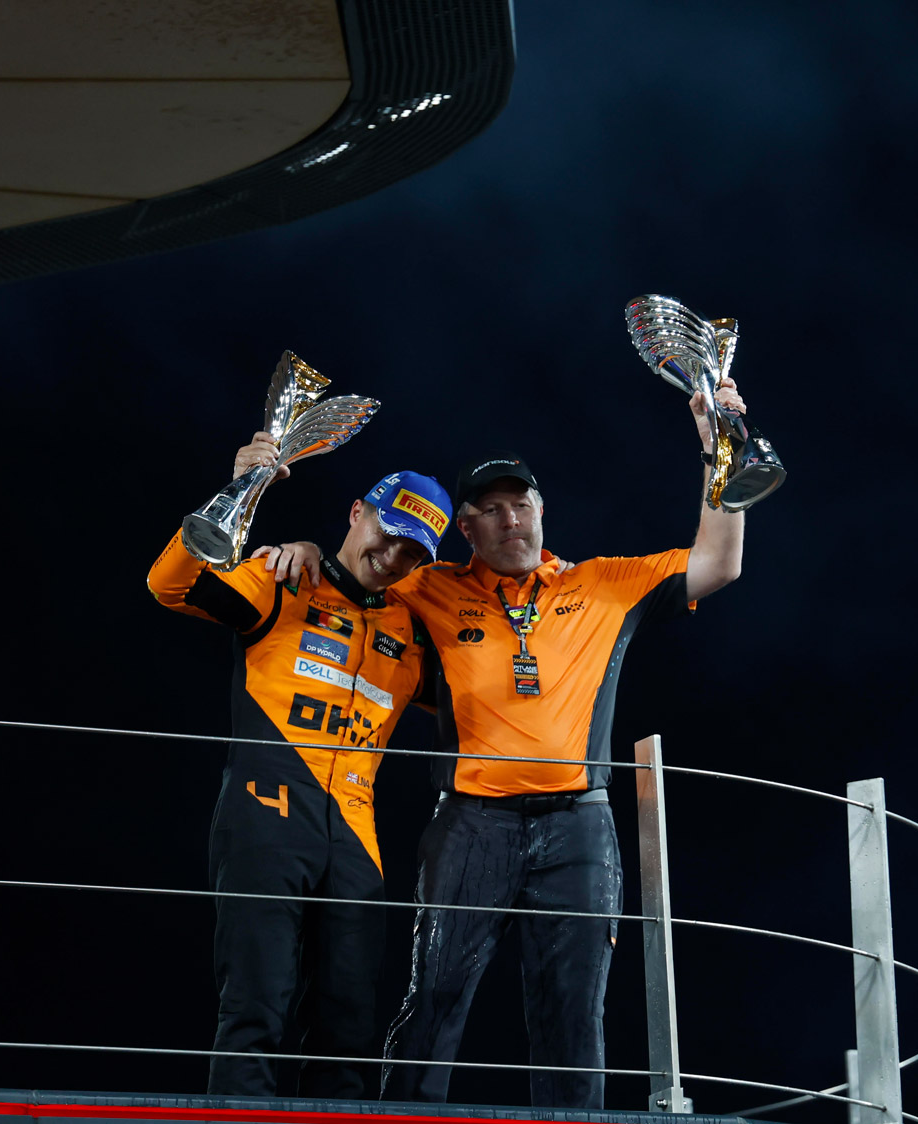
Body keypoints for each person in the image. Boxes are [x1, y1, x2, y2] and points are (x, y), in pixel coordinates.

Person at [260, 378, 748, 1109]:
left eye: (520, 504)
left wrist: (723, 451)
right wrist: (301, 546)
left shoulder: (604, 584)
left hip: (579, 826)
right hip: (469, 824)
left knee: (572, 1013)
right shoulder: (429, 586)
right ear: (467, 527)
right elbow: (358, 570)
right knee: (434, 999)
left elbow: (721, 562)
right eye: (490, 511)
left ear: (543, 510)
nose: (509, 519)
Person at [146, 433, 453, 1100]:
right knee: (256, 1010)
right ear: (356, 513)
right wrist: (239, 493)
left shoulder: (410, 627)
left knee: (349, 1028)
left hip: (357, 844)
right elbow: (170, 585)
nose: (391, 555)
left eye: (412, 551)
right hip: (265, 818)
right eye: (387, 531)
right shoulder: (287, 578)